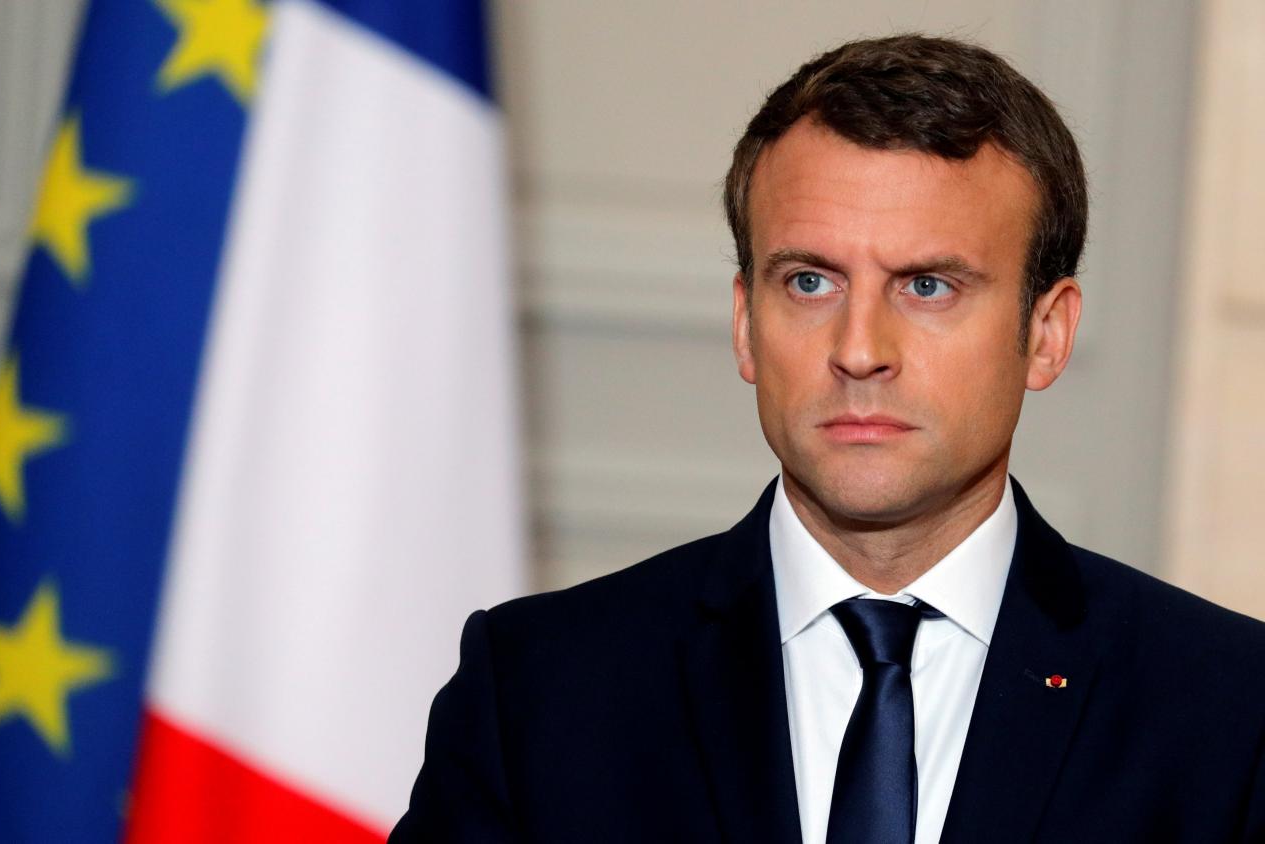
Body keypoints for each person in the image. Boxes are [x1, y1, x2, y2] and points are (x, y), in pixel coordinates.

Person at [389, 34, 1265, 843]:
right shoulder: (541, 691)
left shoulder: (1228, 710)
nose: (858, 351)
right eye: (810, 281)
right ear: (744, 323)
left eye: (927, 286)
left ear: (1047, 334)